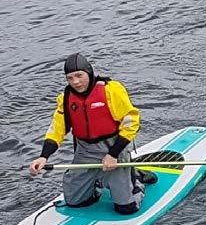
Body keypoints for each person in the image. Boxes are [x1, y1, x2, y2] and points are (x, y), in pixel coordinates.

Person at [29, 53, 149, 214]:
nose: (75, 82)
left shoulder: (111, 90)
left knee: (126, 208)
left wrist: (113, 154)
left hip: (114, 148)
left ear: (89, 72)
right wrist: (44, 156)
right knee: (75, 201)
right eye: (70, 78)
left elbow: (131, 122)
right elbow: (57, 129)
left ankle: (136, 182)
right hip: (85, 150)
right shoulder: (66, 98)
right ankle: (97, 181)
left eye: (79, 75)